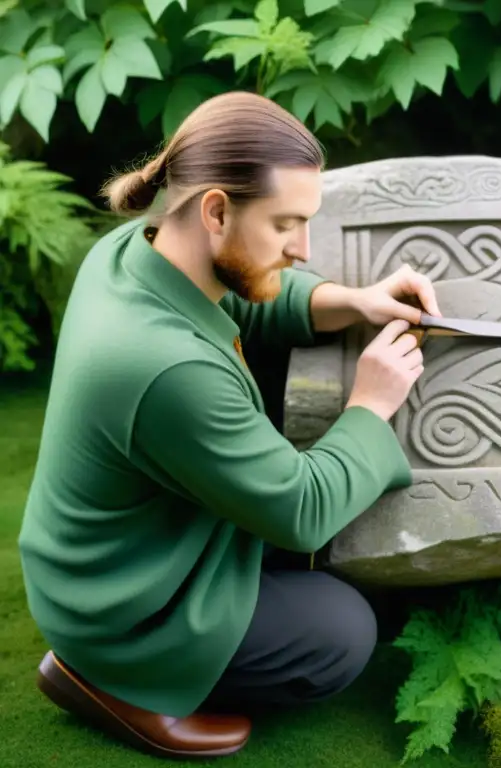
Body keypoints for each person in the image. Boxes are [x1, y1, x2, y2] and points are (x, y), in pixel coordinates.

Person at [17, 91, 442, 759]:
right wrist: (370, 402)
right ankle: (118, 685)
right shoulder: (165, 367)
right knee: (342, 631)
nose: (302, 249)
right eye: (285, 224)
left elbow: (245, 299)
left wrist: (351, 301)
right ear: (216, 209)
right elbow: (301, 510)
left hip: (107, 558)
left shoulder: (136, 248)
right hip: (123, 611)